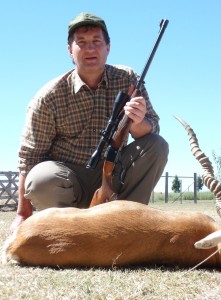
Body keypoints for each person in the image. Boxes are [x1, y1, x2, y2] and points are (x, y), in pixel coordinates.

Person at [11, 13, 168, 232]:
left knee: (157, 145)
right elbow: (29, 158)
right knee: (40, 179)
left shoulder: (129, 78)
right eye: (81, 43)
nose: (90, 49)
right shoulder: (48, 96)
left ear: (108, 48)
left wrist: (138, 122)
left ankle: (128, 225)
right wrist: (22, 214)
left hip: (114, 171)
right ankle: (71, 229)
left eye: (96, 42)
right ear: (70, 51)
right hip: (67, 181)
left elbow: (153, 127)